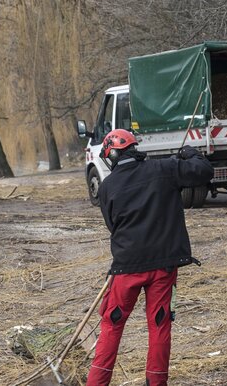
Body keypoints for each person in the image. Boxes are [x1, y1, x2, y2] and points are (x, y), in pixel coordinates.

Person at [87, 129, 213, 386]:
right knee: (160, 323)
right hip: (163, 267)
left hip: (127, 268)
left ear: (111, 154)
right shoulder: (165, 169)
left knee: (112, 325)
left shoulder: (107, 186)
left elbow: (113, 226)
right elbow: (203, 170)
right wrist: (189, 153)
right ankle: (156, 382)